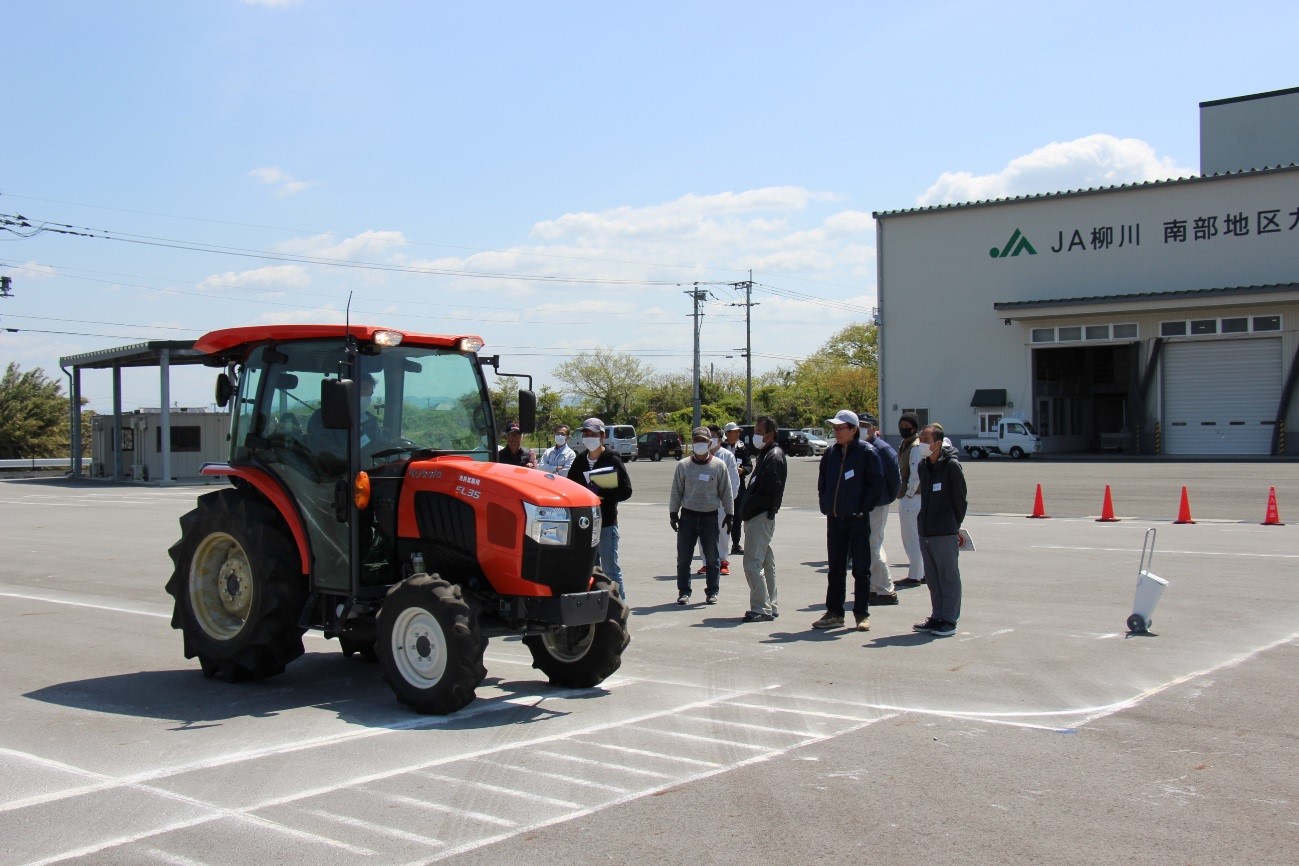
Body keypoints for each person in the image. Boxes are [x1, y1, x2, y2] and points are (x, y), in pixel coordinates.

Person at [814, 409, 884, 631]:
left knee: (861, 569)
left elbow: (877, 485)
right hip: (835, 519)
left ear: (854, 430)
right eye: (834, 428)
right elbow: (823, 482)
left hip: (857, 519)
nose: (836, 432)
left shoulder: (867, 453)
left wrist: (862, 508)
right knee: (835, 568)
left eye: (840, 428)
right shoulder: (831, 453)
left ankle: (861, 614)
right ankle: (834, 612)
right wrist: (826, 505)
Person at [567, 418, 633, 599]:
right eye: (586, 434)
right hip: (585, 523)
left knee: (610, 568)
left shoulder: (612, 459)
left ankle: (619, 605)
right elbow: (570, 486)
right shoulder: (580, 460)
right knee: (588, 568)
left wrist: (603, 494)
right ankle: (594, 605)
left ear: (602, 436)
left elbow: (626, 491)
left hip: (606, 522)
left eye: (594, 435)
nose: (589, 438)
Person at [914, 422, 968, 638]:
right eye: (920, 440)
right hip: (925, 529)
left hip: (944, 530)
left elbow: (960, 500)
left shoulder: (951, 466)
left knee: (948, 577)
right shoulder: (924, 466)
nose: (921, 444)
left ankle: (949, 619)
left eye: (925, 440)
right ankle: (937, 615)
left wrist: (952, 525)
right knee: (933, 578)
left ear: (937, 443)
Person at [669, 426, 733, 605]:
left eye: (703, 441)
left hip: (710, 517)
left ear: (709, 443)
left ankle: (712, 591)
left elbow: (726, 492)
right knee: (684, 558)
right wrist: (673, 513)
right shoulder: (683, 465)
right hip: (688, 517)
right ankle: (684, 591)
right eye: (696, 441)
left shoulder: (718, 466)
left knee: (712, 558)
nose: (699, 444)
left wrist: (730, 514)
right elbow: (676, 491)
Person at [740, 416, 786, 622]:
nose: (755, 435)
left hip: (760, 516)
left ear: (771, 434)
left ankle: (760, 607)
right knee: (766, 561)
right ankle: (770, 604)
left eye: (759, 431)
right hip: (757, 515)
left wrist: (749, 508)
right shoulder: (765, 455)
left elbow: (769, 491)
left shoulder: (774, 457)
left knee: (752, 563)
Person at [859, 412, 900, 606]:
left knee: (873, 545)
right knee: (867, 546)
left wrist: (884, 499)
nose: (861, 428)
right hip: (863, 505)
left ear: (875, 428)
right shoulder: (859, 448)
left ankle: (885, 589)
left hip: (877, 504)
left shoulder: (882, 449)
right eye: (858, 424)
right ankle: (874, 587)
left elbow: (895, 479)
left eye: (865, 425)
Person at [696, 424, 738, 576]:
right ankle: (706, 563)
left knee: (722, 532)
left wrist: (729, 502)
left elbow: (734, 480)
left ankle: (723, 561)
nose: (711, 439)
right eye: (709, 436)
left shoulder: (727, 456)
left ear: (720, 439)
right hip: (703, 503)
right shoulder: (699, 456)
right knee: (703, 533)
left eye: (714, 436)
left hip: (721, 503)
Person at [894, 412, 925, 587]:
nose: (903, 429)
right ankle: (923, 572)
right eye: (901, 425)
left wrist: (908, 494)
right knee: (918, 537)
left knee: (910, 538)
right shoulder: (908, 444)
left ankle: (914, 575)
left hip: (912, 498)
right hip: (917, 497)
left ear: (914, 427)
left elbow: (915, 475)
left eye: (907, 426)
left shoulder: (914, 446)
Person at [723, 421, 750, 555]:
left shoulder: (742, 447)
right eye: (734, 432)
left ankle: (736, 544)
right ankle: (719, 543)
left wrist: (743, 470)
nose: (737, 434)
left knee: (737, 516)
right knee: (721, 514)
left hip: (738, 485)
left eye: (738, 432)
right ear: (727, 434)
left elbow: (749, 466)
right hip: (721, 486)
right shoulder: (720, 447)